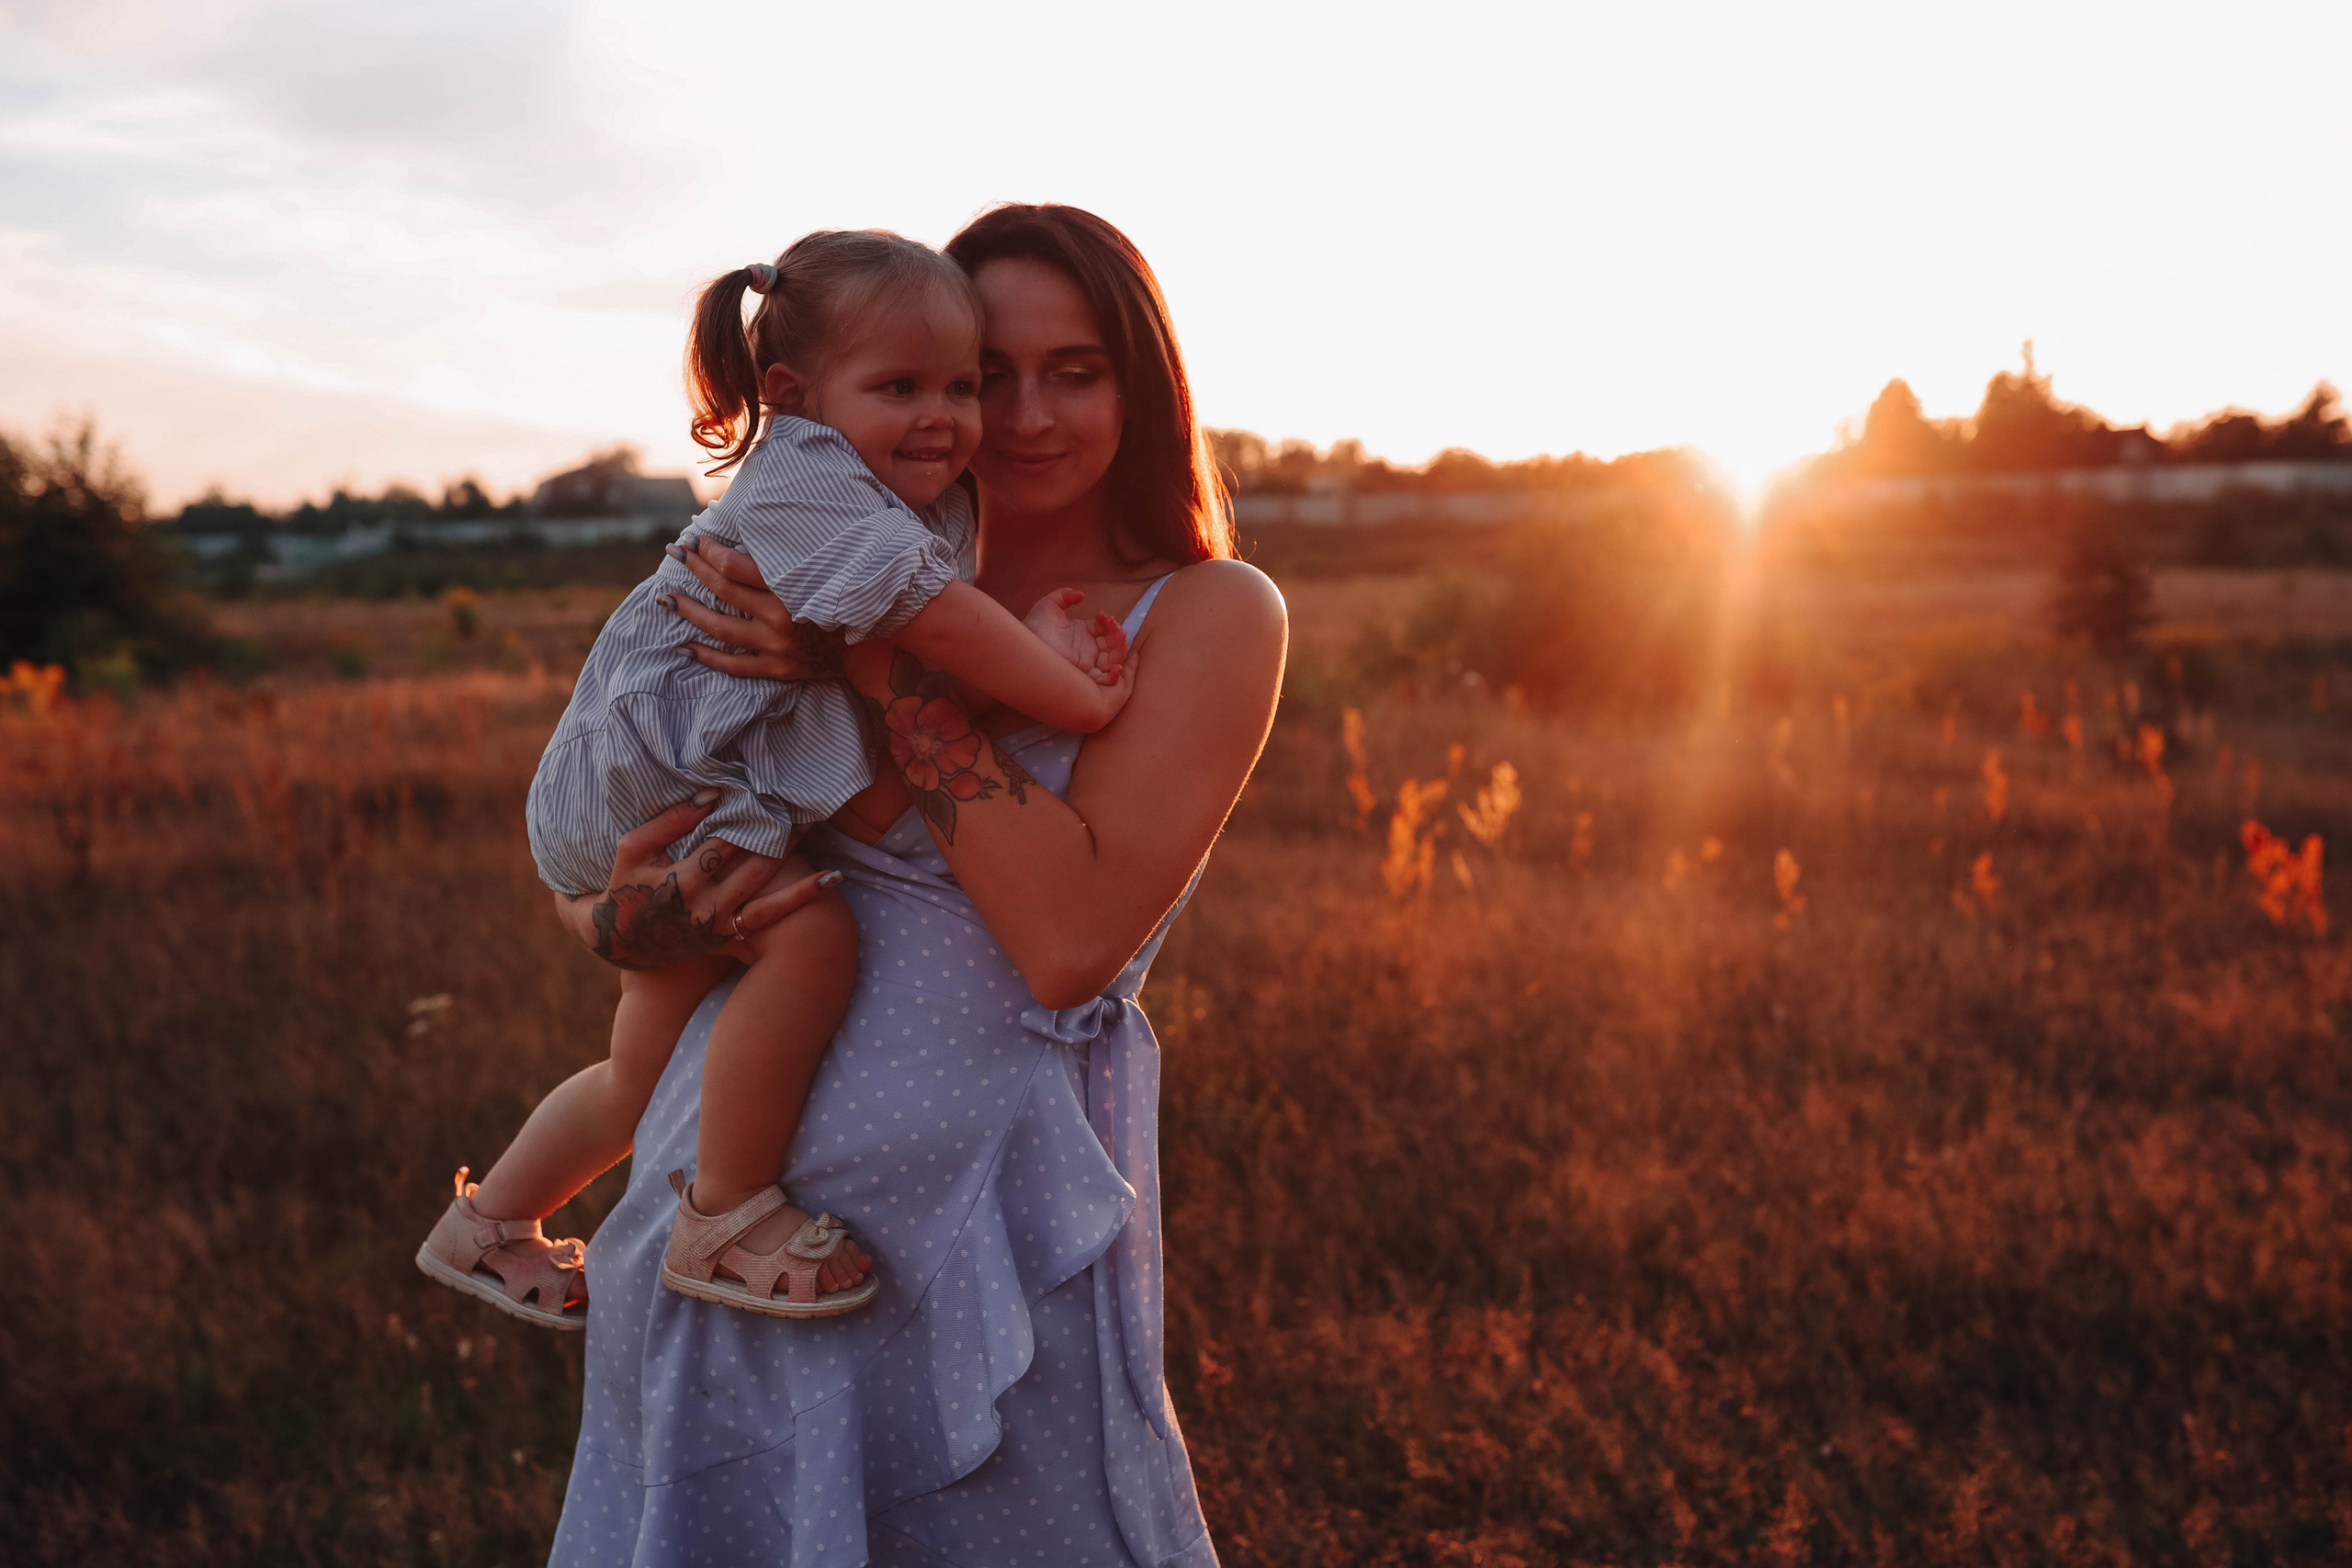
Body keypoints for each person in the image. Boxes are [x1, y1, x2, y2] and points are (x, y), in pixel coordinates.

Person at [546, 204, 1284, 1567]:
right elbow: (630, 842)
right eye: (984, 372)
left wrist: (868, 654)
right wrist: (624, 916)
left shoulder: (1205, 609)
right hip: (732, 1221)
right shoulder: (819, 557)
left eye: (1076, 371)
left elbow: (1064, 940)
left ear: (1142, 386)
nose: (1020, 415)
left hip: (984, 1216)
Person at [417, 229, 1135, 1329]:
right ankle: (725, 1210)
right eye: (903, 387)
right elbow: (937, 631)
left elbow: (905, 706)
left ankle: (488, 1221)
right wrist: (1069, 690)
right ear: (795, 395)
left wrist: (996, 650)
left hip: (666, 783)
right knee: (812, 940)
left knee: (640, 1076)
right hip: (668, 781)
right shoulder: (818, 482)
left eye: (961, 386)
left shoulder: (889, 489)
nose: (949, 416)